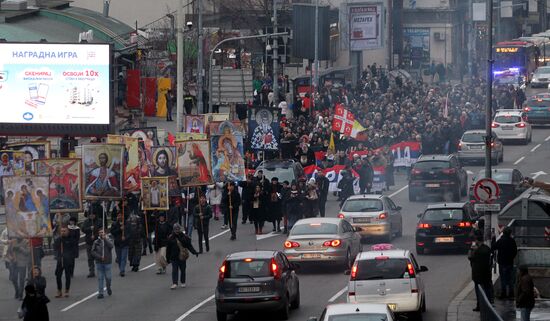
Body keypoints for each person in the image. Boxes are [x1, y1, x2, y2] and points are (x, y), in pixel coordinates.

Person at [166, 223, 199, 289]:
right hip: (174, 257)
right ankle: (175, 283)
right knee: (174, 270)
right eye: (176, 229)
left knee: (183, 269)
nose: (177, 231)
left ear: (180, 229)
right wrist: (168, 258)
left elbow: (189, 246)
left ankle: (183, 282)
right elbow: (168, 249)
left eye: (178, 229)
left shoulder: (184, 237)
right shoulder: (170, 238)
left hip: (182, 257)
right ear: (174, 230)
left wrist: (194, 252)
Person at [468, 235, 494, 311]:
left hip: (477, 274)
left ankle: (479, 305)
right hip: (486, 272)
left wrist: (471, 249)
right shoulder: (487, 249)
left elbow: (470, 257)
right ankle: (488, 305)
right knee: (487, 289)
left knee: (479, 290)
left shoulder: (476, 251)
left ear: (476, 241)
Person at [492, 227, 517, 299]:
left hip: (502, 262)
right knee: (510, 279)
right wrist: (511, 257)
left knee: (503, 278)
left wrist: (493, 239)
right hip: (509, 262)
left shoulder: (501, 241)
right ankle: (511, 294)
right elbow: (515, 251)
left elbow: (493, 247)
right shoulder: (512, 241)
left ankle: (504, 293)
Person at [53, 227, 77, 298]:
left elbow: (73, 249)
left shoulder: (71, 239)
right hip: (60, 260)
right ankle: (59, 290)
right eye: (62, 231)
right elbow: (55, 248)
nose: (63, 232)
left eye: (64, 231)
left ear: (68, 231)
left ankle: (67, 290)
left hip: (68, 260)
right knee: (58, 275)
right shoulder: (58, 239)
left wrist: (69, 255)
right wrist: (57, 255)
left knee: (67, 276)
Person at [91, 228, 113, 299]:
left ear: (105, 233)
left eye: (102, 232)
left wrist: (105, 239)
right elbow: (93, 251)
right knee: (100, 278)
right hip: (99, 262)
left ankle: (108, 287)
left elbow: (111, 246)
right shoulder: (96, 242)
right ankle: (101, 293)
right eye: (100, 232)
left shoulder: (109, 240)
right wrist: (99, 257)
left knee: (108, 278)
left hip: (107, 262)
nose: (101, 234)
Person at [82, 209, 102, 278]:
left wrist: (95, 229)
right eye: (90, 214)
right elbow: (83, 229)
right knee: (90, 258)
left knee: (98, 257)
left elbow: (101, 229)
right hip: (89, 242)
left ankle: (100, 270)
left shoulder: (99, 221)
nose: (91, 216)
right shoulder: (86, 221)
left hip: (97, 242)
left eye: (93, 214)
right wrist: (90, 228)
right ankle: (91, 271)